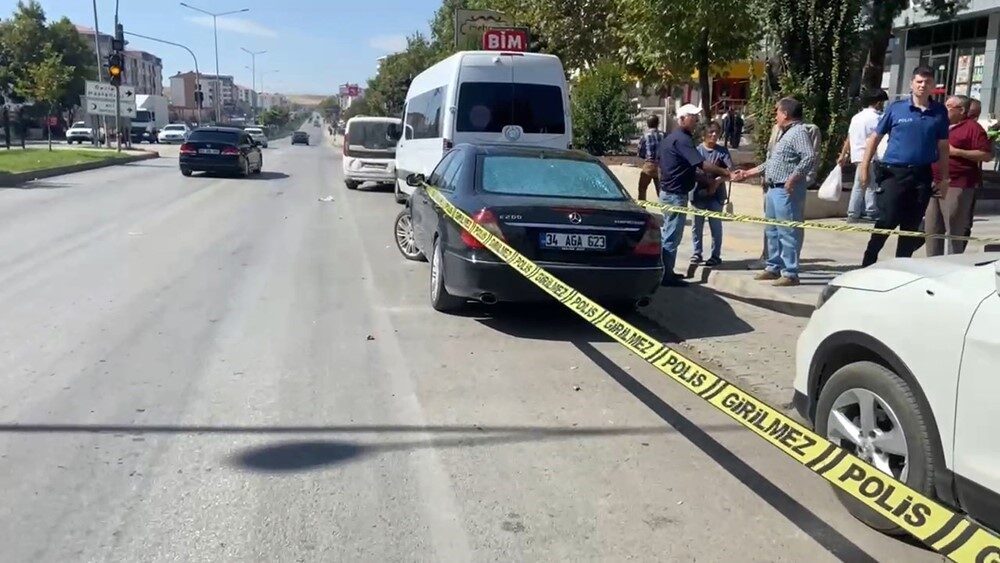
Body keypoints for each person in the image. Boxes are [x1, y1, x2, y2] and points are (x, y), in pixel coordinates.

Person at [858, 66, 950, 267]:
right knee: (887, 219)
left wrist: (944, 178)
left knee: (912, 225)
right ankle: (868, 261)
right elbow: (875, 138)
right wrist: (864, 167)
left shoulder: (939, 112)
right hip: (895, 173)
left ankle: (902, 265)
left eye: (927, 82)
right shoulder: (897, 108)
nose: (922, 86)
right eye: (919, 82)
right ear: (912, 84)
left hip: (922, 174)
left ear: (933, 86)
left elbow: (943, 146)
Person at [733, 97, 817, 286]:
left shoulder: (798, 132)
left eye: (777, 112)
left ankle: (790, 273)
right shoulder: (784, 134)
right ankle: (773, 267)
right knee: (772, 231)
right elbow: (772, 163)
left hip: (785, 190)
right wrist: (747, 173)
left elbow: (809, 157)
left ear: (785, 114)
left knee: (787, 232)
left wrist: (793, 179)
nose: (775, 116)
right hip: (773, 189)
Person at [658, 104, 732, 287]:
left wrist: (709, 181)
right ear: (682, 118)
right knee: (671, 237)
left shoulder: (670, 138)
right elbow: (701, 164)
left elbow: (685, 169)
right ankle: (665, 276)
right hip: (675, 195)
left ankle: (667, 271)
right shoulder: (683, 140)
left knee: (669, 234)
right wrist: (726, 172)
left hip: (669, 193)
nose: (696, 121)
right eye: (693, 117)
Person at [925, 95, 992, 256]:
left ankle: (954, 261)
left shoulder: (973, 128)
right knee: (932, 227)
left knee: (954, 228)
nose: (944, 108)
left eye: (949, 106)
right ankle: (932, 261)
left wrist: (957, 152)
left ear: (961, 110)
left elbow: (986, 155)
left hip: (957, 184)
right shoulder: (939, 125)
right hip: (934, 182)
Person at [838, 90, 888, 222]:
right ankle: (868, 211)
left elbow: (849, 138)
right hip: (869, 155)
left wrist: (844, 154)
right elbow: (879, 137)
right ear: (878, 103)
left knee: (861, 183)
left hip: (857, 155)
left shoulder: (856, 117)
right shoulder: (877, 118)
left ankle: (855, 212)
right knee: (868, 184)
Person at [690, 122, 732, 266]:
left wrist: (717, 182)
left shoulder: (722, 151)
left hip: (716, 195)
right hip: (698, 193)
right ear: (704, 134)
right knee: (697, 226)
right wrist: (707, 182)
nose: (714, 135)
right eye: (711, 132)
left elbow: (730, 172)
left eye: (716, 132)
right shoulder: (697, 150)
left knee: (716, 226)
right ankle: (697, 253)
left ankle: (715, 255)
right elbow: (692, 171)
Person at [636, 115, 665, 201]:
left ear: (647, 124)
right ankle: (664, 206)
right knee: (661, 190)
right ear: (658, 123)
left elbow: (640, 152)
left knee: (642, 188)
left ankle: (642, 206)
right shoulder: (664, 135)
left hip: (649, 164)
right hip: (661, 165)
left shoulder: (645, 136)